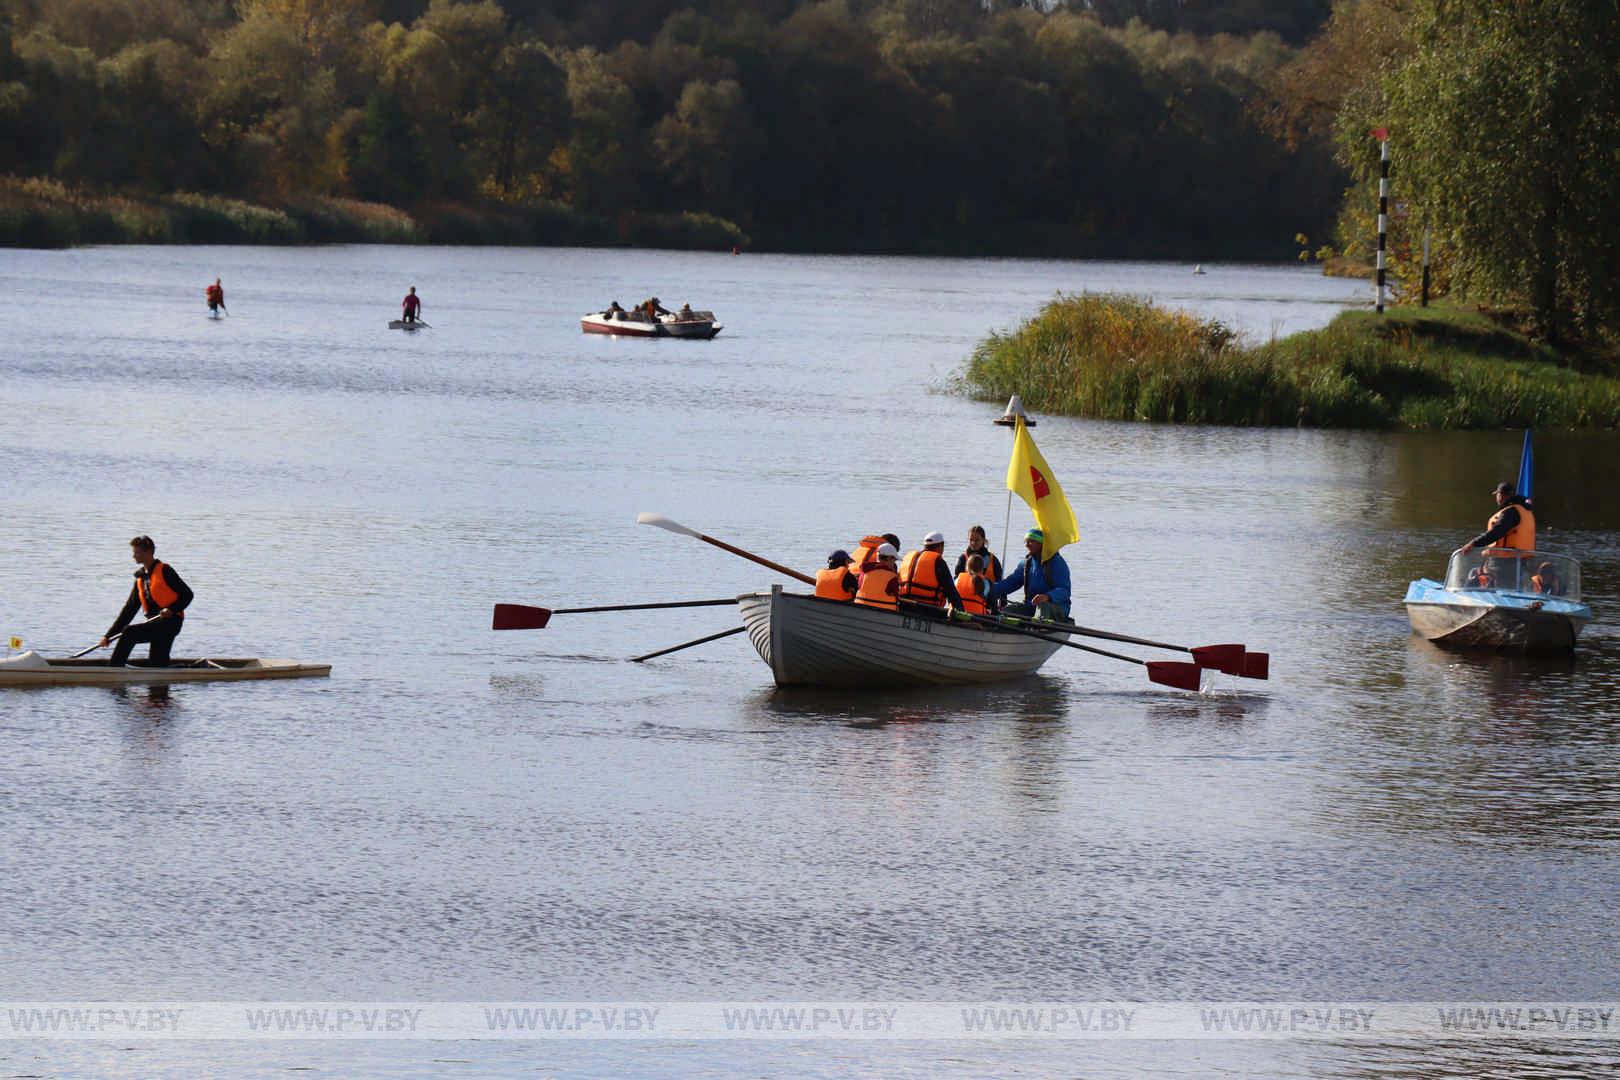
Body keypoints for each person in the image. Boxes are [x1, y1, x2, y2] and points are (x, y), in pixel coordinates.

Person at [99, 535, 194, 667]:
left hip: (170, 623)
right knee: (158, 665)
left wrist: (172, 609)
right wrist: (109, 636)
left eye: (136, 552)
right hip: (154, 623)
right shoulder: (140, 578)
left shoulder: (165, 570)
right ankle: (192, 669)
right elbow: (129, 610)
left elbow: (187, 595)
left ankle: (115, 668)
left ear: (148, 552)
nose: (134, 556)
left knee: (129, 633)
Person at [989, 528, 1072, 620]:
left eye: (1031, 541)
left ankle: (1037, 628)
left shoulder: (1057, 563)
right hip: (1031, 606)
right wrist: (987, 589)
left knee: (1043, 607)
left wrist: (1048, 596)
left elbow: (1065, 591)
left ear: (1042, 544)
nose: (1027, 545)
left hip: (1056, 608)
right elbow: (1010, 583)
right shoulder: (1026, 563)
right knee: (1004, 613)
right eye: (1026, 541)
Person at [1461, 481, 1535, 555]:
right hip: (1523, 561)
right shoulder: (1525, 511)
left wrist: (1473, 543)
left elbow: (1496, 531)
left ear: (1501, 496)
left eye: (1497, 495)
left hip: (1504, 561)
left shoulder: (1510, 512)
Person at [898, 530, 965, 610]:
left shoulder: (907, 558)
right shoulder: (938, 562)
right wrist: (960, 611)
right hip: (928, 609)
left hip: (904, 605)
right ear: (941, 546)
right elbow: (951, 591)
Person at [854, 543, 901, 611]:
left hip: (860, 607)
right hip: (884, 611)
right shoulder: (892, 577)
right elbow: (895, 596)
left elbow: (859, 586)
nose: (893, 564)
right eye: (894, 560)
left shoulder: (864, 571)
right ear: (889, 558)